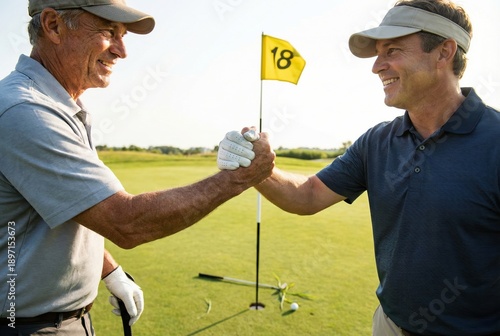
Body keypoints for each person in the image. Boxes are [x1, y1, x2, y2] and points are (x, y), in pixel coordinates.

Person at [219, 0, 500, 335]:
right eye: (378, 53)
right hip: (390, 324)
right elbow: (307, 196)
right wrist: (257, 169)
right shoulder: (377, 142)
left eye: (393, 50)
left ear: (444, 52)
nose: (377, 66)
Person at [0, 0, 275, 335]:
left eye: (123, 35)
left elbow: (71, 208)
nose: (122, 51)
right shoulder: (26, 111)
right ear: (53, 25)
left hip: (60, 319)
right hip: (25, 325)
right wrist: (237, 179)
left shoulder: (59, 105)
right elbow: (125, 221)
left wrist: (109, 270)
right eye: (108, 31)